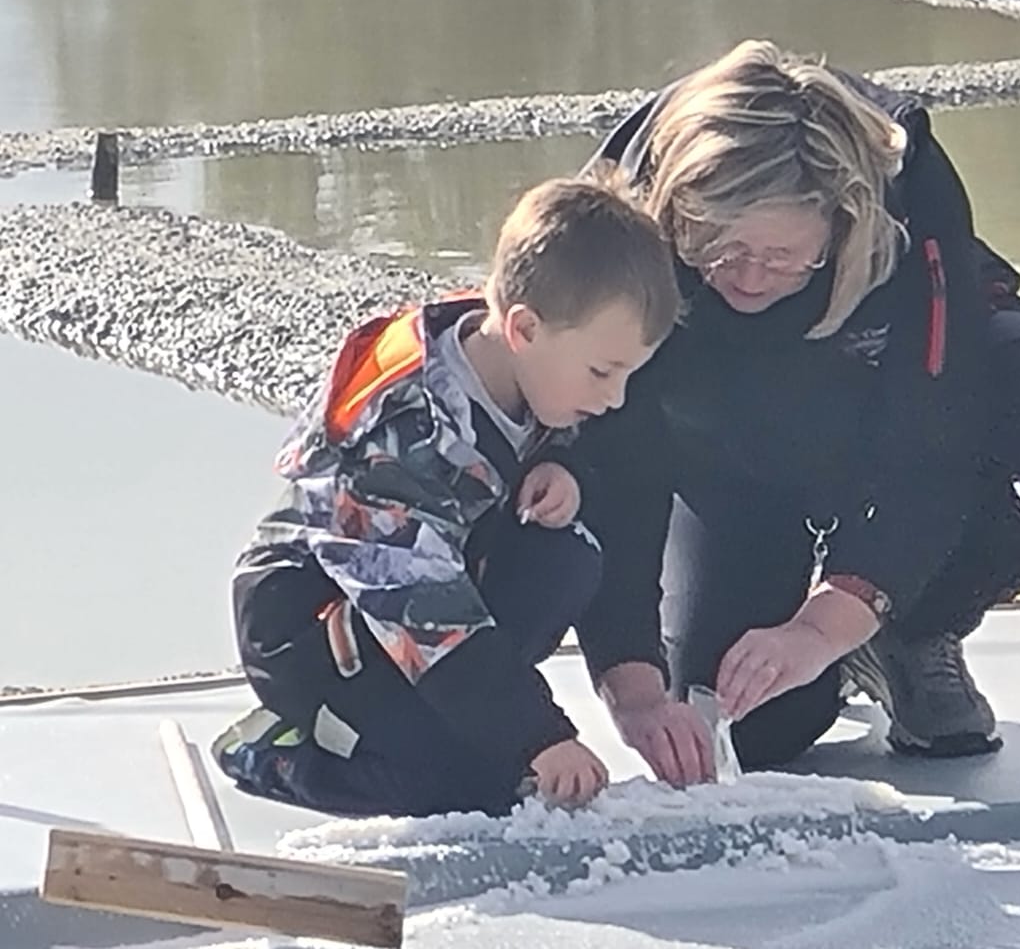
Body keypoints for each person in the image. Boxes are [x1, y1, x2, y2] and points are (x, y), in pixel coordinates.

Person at [571, 40, 1020, 782]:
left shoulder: (904, 184)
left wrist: (832, 619)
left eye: (783, 254)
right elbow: (599, 459)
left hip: (880, 408)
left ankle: (911, 632)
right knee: (752, 732)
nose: (749, 276)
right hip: (726, 453)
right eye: (718, 249)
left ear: (843, 220)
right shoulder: (620, 212)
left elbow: (938, 426)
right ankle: (822, 642)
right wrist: (630, 685)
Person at [212, 176, 681, 817]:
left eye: (628, 374)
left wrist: (563, 466)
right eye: (603, 373)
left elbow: (560, 448)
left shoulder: (527, 358)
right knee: (460, 789)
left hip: (431, 589)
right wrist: (539, 735)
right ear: (523, 328)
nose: (614, 396)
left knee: (568, 551)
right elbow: (427, 616)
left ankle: (451, 723)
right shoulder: (405, 435)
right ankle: (279, 749)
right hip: (311, 623)